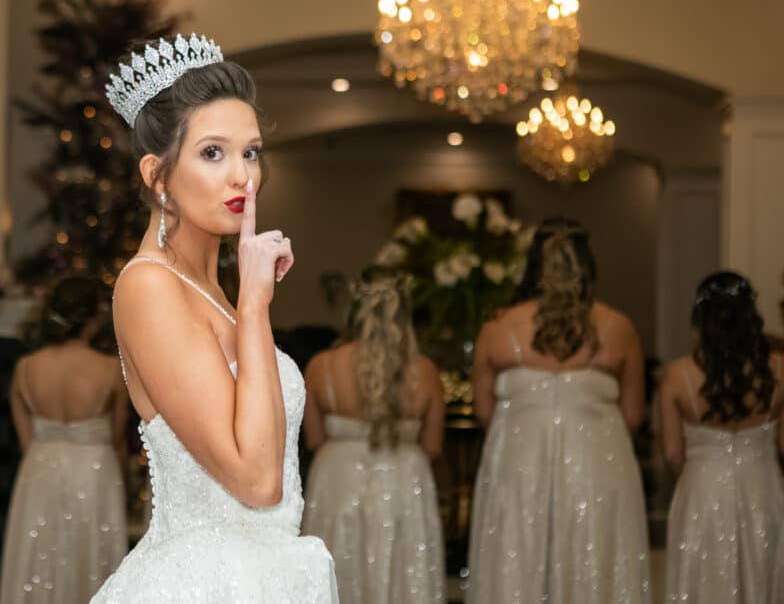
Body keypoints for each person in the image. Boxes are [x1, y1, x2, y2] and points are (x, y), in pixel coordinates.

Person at [89, 34, 337, 603]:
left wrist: (247, 301)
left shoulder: (215, 292)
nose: (242, 177)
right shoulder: (148, 286)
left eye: (250, 152)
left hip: (262, 578)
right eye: (212, 153)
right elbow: (257, 479)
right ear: (156, 175)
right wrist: (255, 303)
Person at [466, 218, 651, 604]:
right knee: (596, 553)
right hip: (599, 463)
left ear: (532, 264)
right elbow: (633, 415)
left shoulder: (498, 327)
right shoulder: (619, 328)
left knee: (516, 551)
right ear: (588, 264)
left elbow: (483, 411)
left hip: (518, 465)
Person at [302, 267, 446, 603]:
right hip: (403, 483)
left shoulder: (322, 366)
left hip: (337, 481)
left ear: (353, 310)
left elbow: (313, 439)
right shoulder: (425, 371)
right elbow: (433, 445)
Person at [0, 274, 128, 603]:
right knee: (92, 562)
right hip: (95, 476)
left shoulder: (25, 368)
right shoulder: (112, 369)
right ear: (92, 319)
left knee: (37, 562)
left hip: (39, 474)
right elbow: (117, 439)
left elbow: (26, 441)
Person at [659, 271, 784, 604]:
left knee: (703, 580)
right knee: (761, 573)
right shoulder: (780, 369)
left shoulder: (676, 375)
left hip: (703, 489)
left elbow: (672, 453)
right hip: (762, 486)